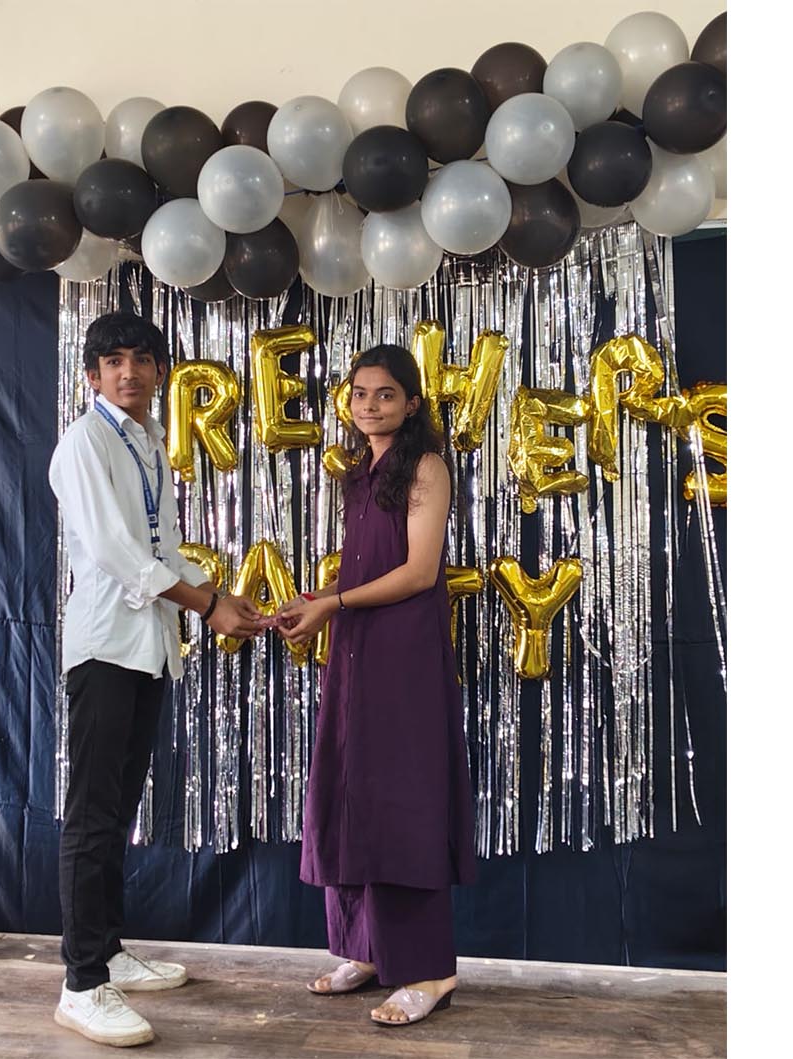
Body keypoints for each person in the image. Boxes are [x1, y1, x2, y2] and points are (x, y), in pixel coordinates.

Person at [48, 311, 264, 1047]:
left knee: (116, 810)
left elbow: (161, 547)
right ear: (91, 375)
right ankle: (81, 984)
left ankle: (107, 951)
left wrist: (219, 597)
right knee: (91, 815)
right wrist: (206, 605)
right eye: (113, 361)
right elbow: (115, 550)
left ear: (159, 370)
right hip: (105, 646)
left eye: (141, 359)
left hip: (146, 647)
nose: (129, 372)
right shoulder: (84, 442)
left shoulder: (145, 439)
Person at [278, 343, 476, 1028]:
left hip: (404, 655)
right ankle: (364, 948)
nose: (370, 405)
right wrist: (319, 604)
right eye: (360, 393)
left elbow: (419, 571)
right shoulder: (362, 471)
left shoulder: (426, 466)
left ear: (412, 403)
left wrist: (331, 604)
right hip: (357, 649)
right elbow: (366, 568)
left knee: (402, 800)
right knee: (350, 789)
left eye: (386, 394)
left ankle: (430, 969)